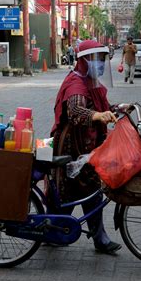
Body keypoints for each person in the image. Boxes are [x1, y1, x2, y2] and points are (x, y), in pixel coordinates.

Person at [51, 40, 122, 255]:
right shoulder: (76, 83)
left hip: (87, 143)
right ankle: (55, 229)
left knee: (85, 189)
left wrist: (117, 108)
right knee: (74, 189)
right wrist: (97, 116)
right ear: (83, 61)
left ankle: (58, 229)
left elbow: (101, 106)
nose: (100, 63)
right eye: (96, 59)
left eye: (102, 59)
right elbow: (75, 110)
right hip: (72, 145)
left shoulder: (91, 82)